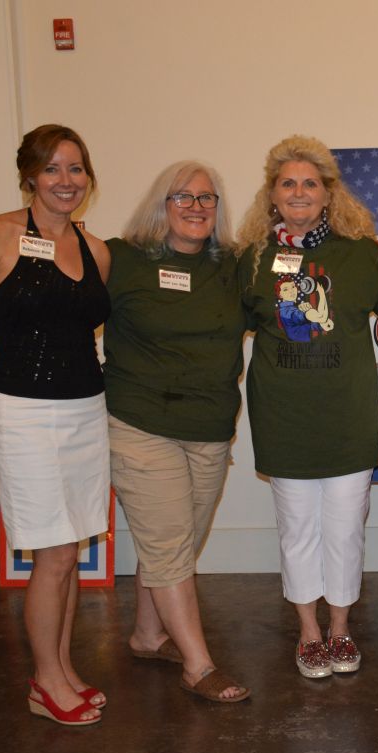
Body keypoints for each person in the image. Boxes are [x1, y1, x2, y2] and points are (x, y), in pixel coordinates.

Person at [0, 124, 111, 725]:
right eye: (52, 168)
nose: (66, 180)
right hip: (26, 416)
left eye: (76, 168)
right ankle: (45, 682)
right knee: (53, 554)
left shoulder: (96, 250)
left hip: (86, 412)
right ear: (30, 175)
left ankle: (62, 667)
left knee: (71, 548)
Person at [237, 135, 378, 679]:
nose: (299, 192)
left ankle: (341, 628)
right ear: (272, 194)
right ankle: (309, 632)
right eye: (288, 183)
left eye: (310, 183)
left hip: (349, 416)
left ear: (329, 193)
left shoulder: (364, 255)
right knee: (297, 528)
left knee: (346, 529)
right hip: (284, 419)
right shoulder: (252, 259)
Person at [103, 161, 249, 702]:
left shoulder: (232, 265)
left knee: (175, 540)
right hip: (140, 423)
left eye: (206, 198)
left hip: (210, 426)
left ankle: (148, 635)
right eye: (182, 197)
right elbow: (63, 307)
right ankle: (198, 665)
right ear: (161, 204)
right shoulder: (121, 259)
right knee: (167, 544)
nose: (195, 207)